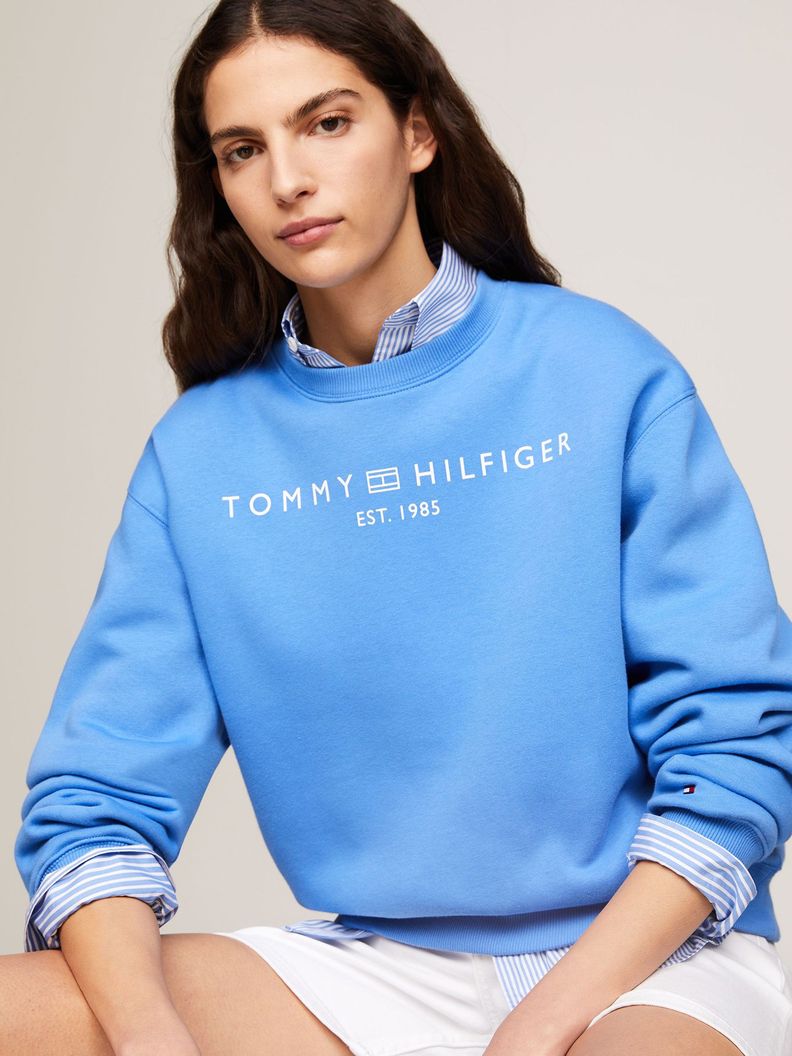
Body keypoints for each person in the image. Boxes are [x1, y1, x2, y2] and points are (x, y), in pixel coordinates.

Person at [4, 1, 792, 1054]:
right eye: (243, 149)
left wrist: (542, 1024)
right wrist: (151, 1039)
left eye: (326, 123)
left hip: (652, 961)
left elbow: (738, 747)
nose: (287, 179)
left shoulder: (604, 372)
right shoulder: (201, 458)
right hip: (378, 970)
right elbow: (96, 801)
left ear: (417, 132)